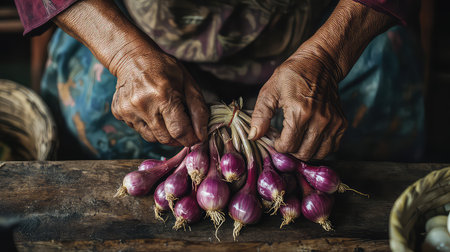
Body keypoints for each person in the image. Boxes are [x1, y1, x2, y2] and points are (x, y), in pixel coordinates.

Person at [14, 0, 424, 161]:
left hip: (331, 30)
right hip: (129, 33)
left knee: (368, 163)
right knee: (89, 126)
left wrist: (327, 58)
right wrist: (123, 54)